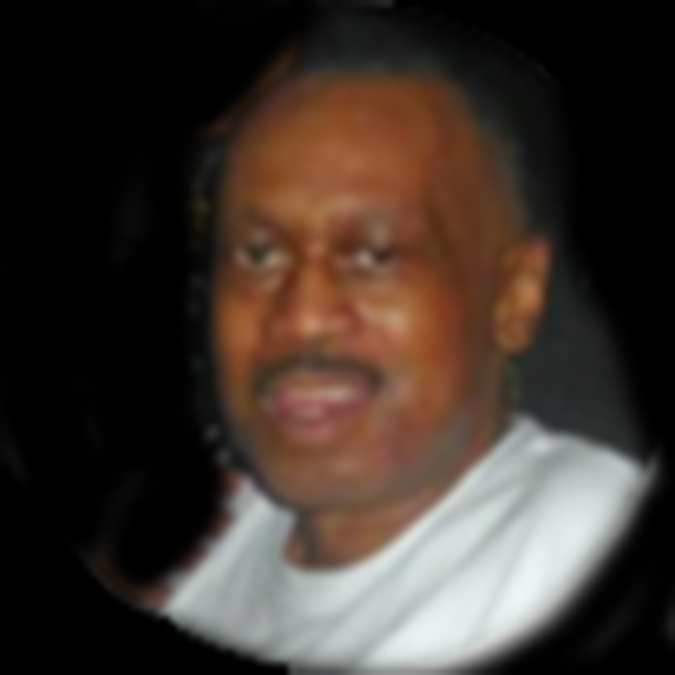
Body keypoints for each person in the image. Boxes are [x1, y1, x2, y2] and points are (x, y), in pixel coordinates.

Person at [87, 9, 653, 671]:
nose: (301, 317)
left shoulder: (588, 534)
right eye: (258, 254)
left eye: (375, 255)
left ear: (513, 296)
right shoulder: (218, 539)